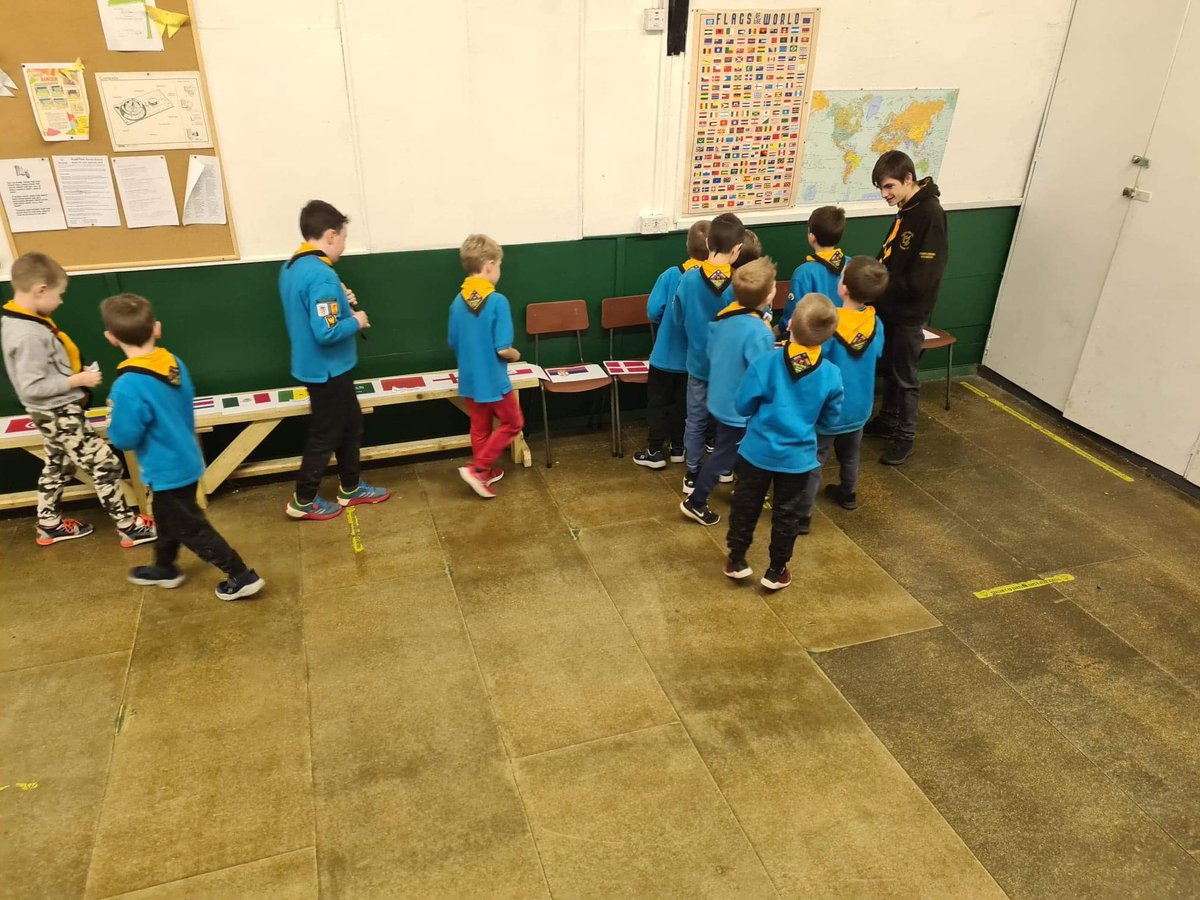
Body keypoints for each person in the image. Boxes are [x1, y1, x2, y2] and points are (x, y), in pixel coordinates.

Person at [101, 294, 264, 601]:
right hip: (187, 458)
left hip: (166, 469)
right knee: (166, 517)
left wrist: (115, 419)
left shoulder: (127, 386)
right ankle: (165, 567)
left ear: (111, 338)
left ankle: (241, 575)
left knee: (191, 527)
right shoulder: (173, 363)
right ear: (157, 329)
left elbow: (123, 439)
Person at [0, 253, 155, 548]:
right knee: (105, 464)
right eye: (59, 294)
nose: (60, 302)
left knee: (58, 465)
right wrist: (76, 381)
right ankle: (128, 526)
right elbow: (31, 387)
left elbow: (41, 368)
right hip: (57, 411)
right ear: (41, 290)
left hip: (52, 411)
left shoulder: (25, 319)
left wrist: (71, 372)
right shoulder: (27, 333)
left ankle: (49, 524)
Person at [723, 294, 843, 591]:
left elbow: (743, 406)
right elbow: (831, 420)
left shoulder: (765, 364)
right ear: (828, 337)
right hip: (798, 460)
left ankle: (736, 559)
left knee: (745, 507)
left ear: (789, 324)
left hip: (755, 454)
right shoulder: (831, 374)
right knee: (787, 515)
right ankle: (776, 570)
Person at [279, 200, 390, 520]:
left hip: (317, 367)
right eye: (343, 237)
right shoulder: (321, 275)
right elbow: (325, 332)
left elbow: (309, 309)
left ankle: (351, 487)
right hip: (327, 370)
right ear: (330, 235)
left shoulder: (292, 266)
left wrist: (342, 302)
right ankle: (303, 500)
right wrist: (357, 320)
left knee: (350, 425)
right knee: (325, 434)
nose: (344, 244)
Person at [864, 150, 948, 465]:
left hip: (909, 313)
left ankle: (905, 437)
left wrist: (881, 287)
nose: (885, 194)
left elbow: (924, 277)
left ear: (908, 179)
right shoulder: (907, 208)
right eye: (881, 189)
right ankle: (887, 421)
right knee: (891, 367)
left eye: (889, 187)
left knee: (906, 377)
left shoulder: (929, 214)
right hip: (889, 307)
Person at [679, 257, 777, 526]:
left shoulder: (723, 319)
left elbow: (712, 353)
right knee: (724, 455)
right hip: (741, 408)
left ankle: (742, 489)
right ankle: (696, 501)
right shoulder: (760, 332)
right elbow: (763, 374)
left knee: (732, 450)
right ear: (769, 295)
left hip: (720, 399)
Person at [798, 256, 888, 519]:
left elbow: (815, 361)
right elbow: (878, 352)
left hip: (828, 409)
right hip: (860, 408)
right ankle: (848, 493)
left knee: (814, 460)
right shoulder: (876, 324)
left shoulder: (828, 324)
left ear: (843, 288)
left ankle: (803, 514)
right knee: (850, 454)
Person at [449, 234, 523, 499]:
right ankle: (479, 470)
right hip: (493, 378)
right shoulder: (497, 301)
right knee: (513, 423)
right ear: (490, 265)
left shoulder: (457, 302)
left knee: (479, 428)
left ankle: (486, 472)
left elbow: (453, 342)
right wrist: (515, 355)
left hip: (469, 378)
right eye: (499, 266)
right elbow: (502, 348)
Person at [676, 212, 745, 493]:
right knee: (727, 420)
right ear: (738, 249)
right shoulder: (741, 284)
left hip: (698, 364)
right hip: (730, 369)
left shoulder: (688, 280)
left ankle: (692, 473)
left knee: (695, 420)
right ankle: (725, 468)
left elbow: (678, 319)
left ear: (708, 243)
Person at [633, 221, 709, 469]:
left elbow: (653, 311)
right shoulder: (715, 280)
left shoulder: (671, 275)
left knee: (658, 404)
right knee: (685, 405)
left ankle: (655, 450)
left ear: (687, 245)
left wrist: (665, 320)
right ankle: (678, 447)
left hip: (665, 357)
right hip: (695, 361)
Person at [781, 206, 846, 332]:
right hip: (845, 335)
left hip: (814, 337)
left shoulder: (803, 273)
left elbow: (794, 312)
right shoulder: (851, 264)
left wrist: (781, 328)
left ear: (811, 237)